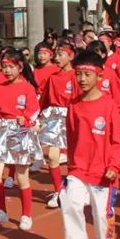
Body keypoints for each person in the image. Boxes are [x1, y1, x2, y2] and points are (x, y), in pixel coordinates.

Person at [62, 51, 120, 239]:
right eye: (78, 74)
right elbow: (71, 137)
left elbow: (118, 140)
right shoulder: (74, 105)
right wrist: (70, 164)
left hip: (102, 171)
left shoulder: (108, 105)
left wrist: (114, 166)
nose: (82, 79)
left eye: (87, 74)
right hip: (78, 168)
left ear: (99, 76)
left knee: (101, 216)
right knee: (69, 202)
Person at [0, 49, 41, 229]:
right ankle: (2, 211)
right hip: (2, 132)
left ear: (20, 67)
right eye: (4, 67)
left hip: (21, 132)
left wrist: (27, 119)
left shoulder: (27, 88)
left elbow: (34, 109)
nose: (7, 71)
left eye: (11, 67)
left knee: (22, 176)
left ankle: (26, 215)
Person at [39, 43, 75, 208]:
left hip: (73, 117)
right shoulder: (52, 78)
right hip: (54, 119)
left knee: (75, 158)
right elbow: (44, 100)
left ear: (71, 56)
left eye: (61, 55)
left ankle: (76, 190)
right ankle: (59, 192)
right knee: (53, 156)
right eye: (57, 55)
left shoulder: (77, 76)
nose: (57, 58)